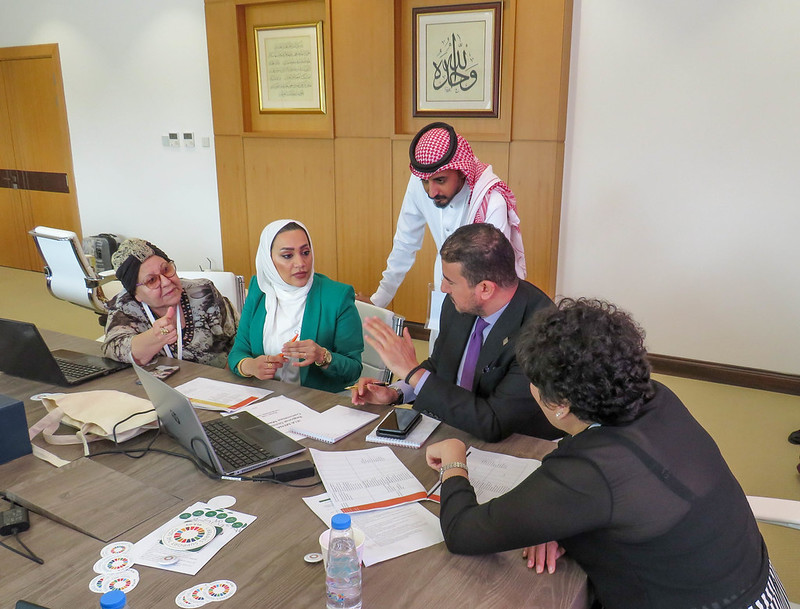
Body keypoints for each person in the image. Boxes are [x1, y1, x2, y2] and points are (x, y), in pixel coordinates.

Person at [425, 299, 790, 609]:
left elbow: (463, 533)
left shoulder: (589, 472)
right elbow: (617, 489)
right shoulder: (656, 397)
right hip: (761, 589)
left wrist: (456, 462)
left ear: (561, 405)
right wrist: (559, 521)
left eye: (531, 382)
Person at [352, 223, 560, 442]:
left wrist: (411, 371)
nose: (443, 288)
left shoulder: (543, 333)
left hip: (518, 445)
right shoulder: (458, 303)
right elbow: (441, 364)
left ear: (485, 289)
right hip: (452, 431)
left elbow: (493, 422)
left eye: (450, 281)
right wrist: (397, 392)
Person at [365, 121, 526, 309]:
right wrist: (379, 301)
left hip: (482, 300)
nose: (431, 191)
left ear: (462, 173)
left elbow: (492, 274)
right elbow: (405, 243)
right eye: (426, 182)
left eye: (440, 180)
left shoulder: (490, 202)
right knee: (440, 337)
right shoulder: (420, 181)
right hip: (443, 286)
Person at [229, 219, 363, 393]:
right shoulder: (260, 289)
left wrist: (323, 356)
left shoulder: (337, 296)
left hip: (317, 403)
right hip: (265, 397)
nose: (301, 263)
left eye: (306, 252)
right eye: (287, 256)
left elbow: (353, 371)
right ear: (268, 260)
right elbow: (238, 351)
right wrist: (250, 366)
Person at [102, 238, 238, 368]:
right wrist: (154, 338)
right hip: (161, 387)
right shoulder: (124, 306)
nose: (167, 282)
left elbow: (241, 340)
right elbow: (112, 348)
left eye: (166, 270)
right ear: (136, 293)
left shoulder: (204, 293)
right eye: (152, 280)